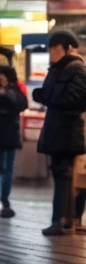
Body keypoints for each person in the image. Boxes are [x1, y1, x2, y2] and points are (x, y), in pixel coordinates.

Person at [33, 29, 86, 236]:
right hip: (56, 129)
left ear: (66, 49)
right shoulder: (59, 69)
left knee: (63, 175)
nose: (51, 52)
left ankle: (62, 220)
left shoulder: (76, 70)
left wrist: (45, 98)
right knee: (60, 175)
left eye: (54, 48)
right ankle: (61, 219)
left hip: (67, 132)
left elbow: (77, 102)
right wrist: (43, 96)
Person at [0, 66, 28, 218]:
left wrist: (6, 91)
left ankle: (5, 200)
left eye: (2, 76)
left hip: (10, 135)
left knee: (7, 170)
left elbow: (22, 104)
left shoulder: (16, 90)